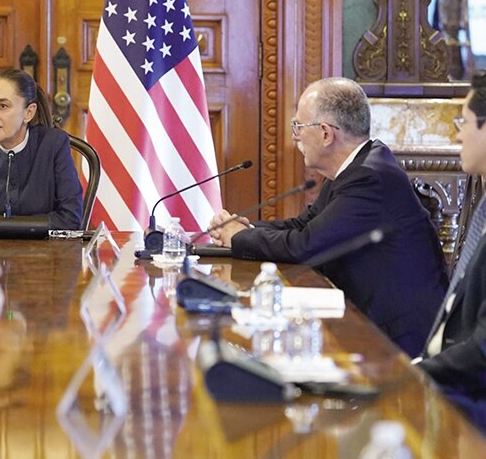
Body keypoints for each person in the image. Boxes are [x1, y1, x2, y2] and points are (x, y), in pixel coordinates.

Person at [208, 77, 446, 357]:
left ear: (325, 134)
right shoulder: (355, 168)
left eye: (298, 126)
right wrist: (242, 228)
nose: (294, 135)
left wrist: (238, 236)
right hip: (368, 321)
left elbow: (305, 245)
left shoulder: (368, 178)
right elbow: (301, 226)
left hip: (398, 340)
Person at [416, 72, 486, 430]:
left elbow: (482, 352)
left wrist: (405, 375)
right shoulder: (482, 203)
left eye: (464, 121)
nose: (457, 133)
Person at [0, 68, 83, 229]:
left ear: (28, 113)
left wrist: (6, 228)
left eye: (3, 106)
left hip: (44, 252)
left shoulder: (53, 144)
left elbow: (71, 218)